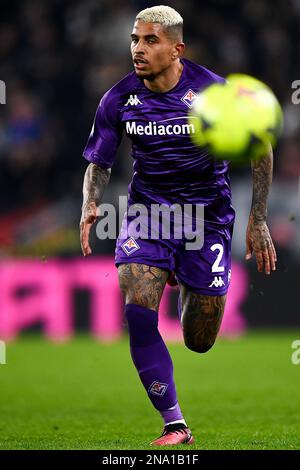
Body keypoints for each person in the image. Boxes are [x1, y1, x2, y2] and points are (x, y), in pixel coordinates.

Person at [80, 5, 277, 446]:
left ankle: (188, 279)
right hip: (148, 216)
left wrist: (257, 218)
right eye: (135, 39)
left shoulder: (215, 93)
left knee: (199, 339)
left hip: (206, 221)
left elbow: (261, 147)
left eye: (150, 41)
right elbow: (99, 161)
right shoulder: (118, 98)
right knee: (137, 307)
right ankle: (175, 424)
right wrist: (90, 203)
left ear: (176, 48)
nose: (138, 49)